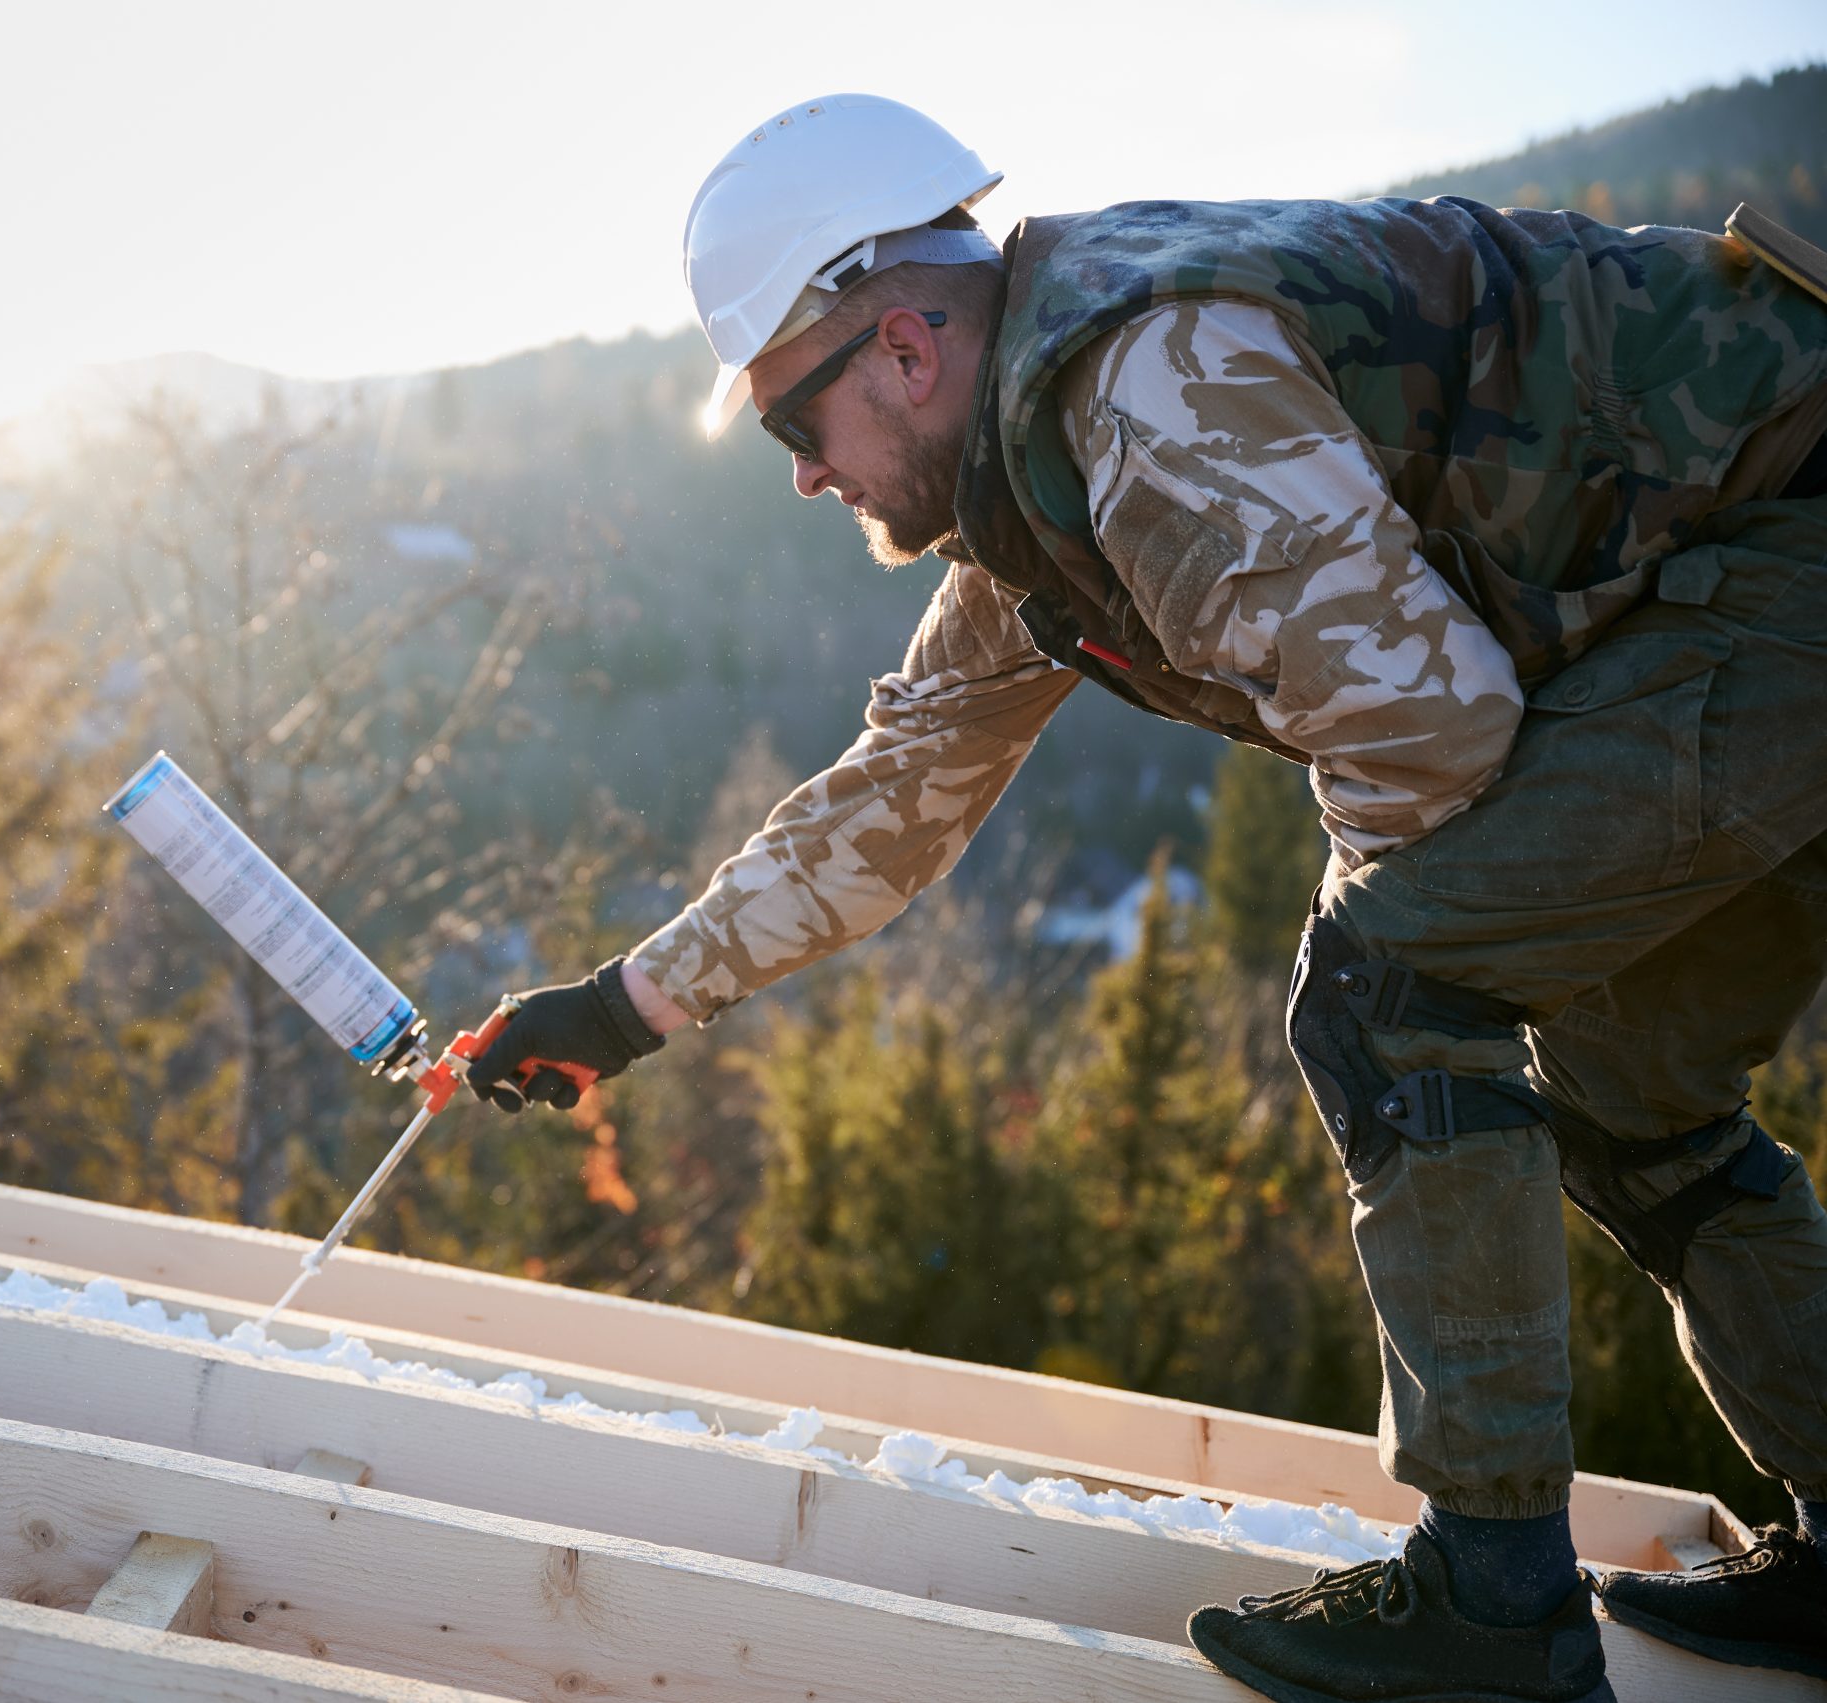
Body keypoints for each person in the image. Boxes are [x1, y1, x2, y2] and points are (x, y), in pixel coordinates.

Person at [463, 93, 1827, 1703]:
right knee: (1626, 1090)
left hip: (1784, 570)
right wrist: (625, 1008)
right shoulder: (1032, 481)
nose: (804, 482)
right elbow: (896, 795)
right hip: (1746, 590)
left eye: (791, 426)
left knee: (1389, 993)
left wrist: (1410, 978)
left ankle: (1497, 1610)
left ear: (904, 346)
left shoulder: (1155, 404)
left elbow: (1430, 734)